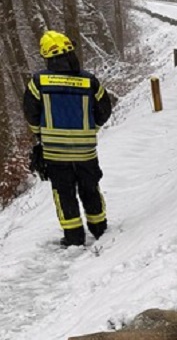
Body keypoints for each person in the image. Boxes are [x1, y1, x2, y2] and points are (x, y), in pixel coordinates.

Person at [23, 30, 113, 247]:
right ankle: (99, 229)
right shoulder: (88, 81)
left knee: (64, 193)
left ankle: (74, 238)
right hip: (86, 151)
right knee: (90, 188)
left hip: (55, 152)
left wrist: (40, 134)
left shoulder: (38, 82)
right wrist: (92, 129)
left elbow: (30, 113)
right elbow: (105, 109)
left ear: (47, 57)